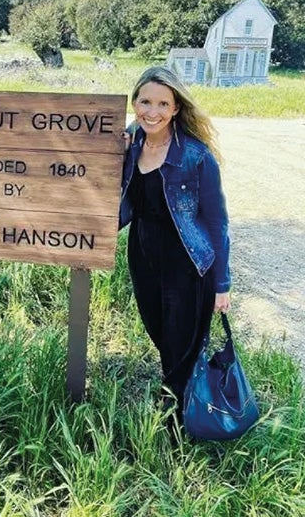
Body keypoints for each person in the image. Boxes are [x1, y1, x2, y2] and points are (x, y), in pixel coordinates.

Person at [120, 66, 231, 426]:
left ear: (176, 108)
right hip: (143, 255)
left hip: (187, 262)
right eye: (145, 101)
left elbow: (217, 222)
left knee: (183, 344)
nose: (152, 111)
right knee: (162, 335)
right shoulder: (131, 141)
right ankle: (178, 403)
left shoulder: (196, 157)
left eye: (162, 104)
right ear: (135, 102)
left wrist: (222, 283)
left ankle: (178, 422)